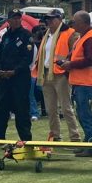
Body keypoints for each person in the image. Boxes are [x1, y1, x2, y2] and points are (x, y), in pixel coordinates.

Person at [58, 11, 92, 157]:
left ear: (84, 23)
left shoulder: (90, 38)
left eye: (75, 21)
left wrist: (71, 64)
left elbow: (90, 60)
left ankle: (91, 146)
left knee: (88, 115)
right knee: (82, 114)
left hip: (88, 84)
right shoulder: (82, 37)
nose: (73, 24)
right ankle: (87, 143)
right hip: (80, 83)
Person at [34, 9, 80, 142]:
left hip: (61, 74)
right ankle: (55, 135)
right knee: (51, 108)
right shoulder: (47, 34)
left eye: (52, 19)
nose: (49, 21)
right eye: (48, 19)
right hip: (46, 74)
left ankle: (75, 136)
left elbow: (74, 52)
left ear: (59, 19)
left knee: (66, 108)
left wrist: (67, 67)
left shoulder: (70, 33)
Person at [0, 9, 34, 142]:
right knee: (1, 108)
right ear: (8, 20)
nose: (16, 20)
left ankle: (25, 138)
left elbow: (28, 58)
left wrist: (14, 71)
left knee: (21, 110)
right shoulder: (5, 36)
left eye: (18, 18)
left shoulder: (26, 35)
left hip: (19, 78)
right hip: (4, 79)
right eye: (13, 18)